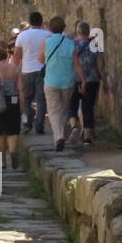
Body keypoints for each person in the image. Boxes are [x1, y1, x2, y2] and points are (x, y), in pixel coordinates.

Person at [40, 16, 78, 151]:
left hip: (51, 81)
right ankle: (59, 136)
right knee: (63, 109)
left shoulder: (46, 42)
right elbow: (76, 64)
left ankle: (59, 136)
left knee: (53, 110)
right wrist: (83, 79)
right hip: (68, 81)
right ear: (63, 28)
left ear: (50, 28)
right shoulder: (70, 43)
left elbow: (40, 59)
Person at [0, 45, 22, 169]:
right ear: (6, 56)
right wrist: (22, 105)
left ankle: (2, 161)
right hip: (13, 101)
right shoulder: (15, 68)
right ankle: (12, 151)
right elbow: (20, 88)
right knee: (13, 131)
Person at [72, 22, 105, 147]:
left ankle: (74, 126)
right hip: (92, 79)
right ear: (88, 32)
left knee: (73, 106)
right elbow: (100, 65)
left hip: (75, 79)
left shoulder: (72, 45)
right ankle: (87, 137)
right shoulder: (95, 44)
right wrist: (104, 80)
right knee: (88, 108)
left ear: (77, 32)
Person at [15, 12, 49, 133]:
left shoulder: (22, 36)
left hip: (27, 72)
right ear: (41, 21)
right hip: (43, 71)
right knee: (41, 100)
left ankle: (28, 123)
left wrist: (16, 72)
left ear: (30, 22)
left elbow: (16, 56)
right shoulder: (48, 35)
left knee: (27, 99)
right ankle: (39, 126)